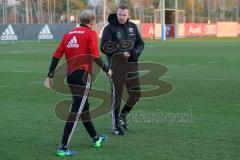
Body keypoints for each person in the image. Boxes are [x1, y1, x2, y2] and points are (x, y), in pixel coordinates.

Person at [44, 10, 112, 157]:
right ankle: (63, 147)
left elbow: (56, 55)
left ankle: (95, 137)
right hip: (83, 77)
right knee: (76, 111)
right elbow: (95, 55)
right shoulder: (90, 34)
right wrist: (107, 70)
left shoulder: (69, 34)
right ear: (92, 21)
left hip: (71, 77)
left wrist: (50, 75)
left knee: (83, 108)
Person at [100, 5, 144, 135]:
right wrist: (120, 52)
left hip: (131, 66)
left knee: (136, 94)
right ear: (117, 14)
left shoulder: (133, 27)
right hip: (116, 68)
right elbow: (103, 47)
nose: (121, 17)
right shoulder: (109, 28)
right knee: (117, 97)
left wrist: (135, 52)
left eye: (124, 15)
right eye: (119, 14)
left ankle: (122, 116)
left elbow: (140, 44)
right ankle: (115, 126)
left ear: (128, 15)